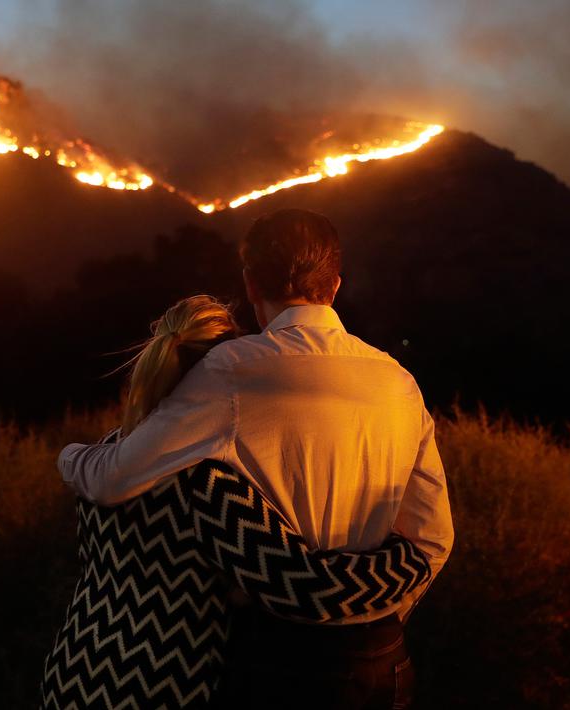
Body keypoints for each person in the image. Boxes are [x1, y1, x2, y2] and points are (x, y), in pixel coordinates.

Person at [58, 210, 454, 707]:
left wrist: (71, 457)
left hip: (276, 656)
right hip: (382, 659)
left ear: (250, 284)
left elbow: (117, 479)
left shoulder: (233, 370)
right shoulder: (399, 382)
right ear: (334, 285)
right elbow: (433, 537)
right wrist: (374, 620)